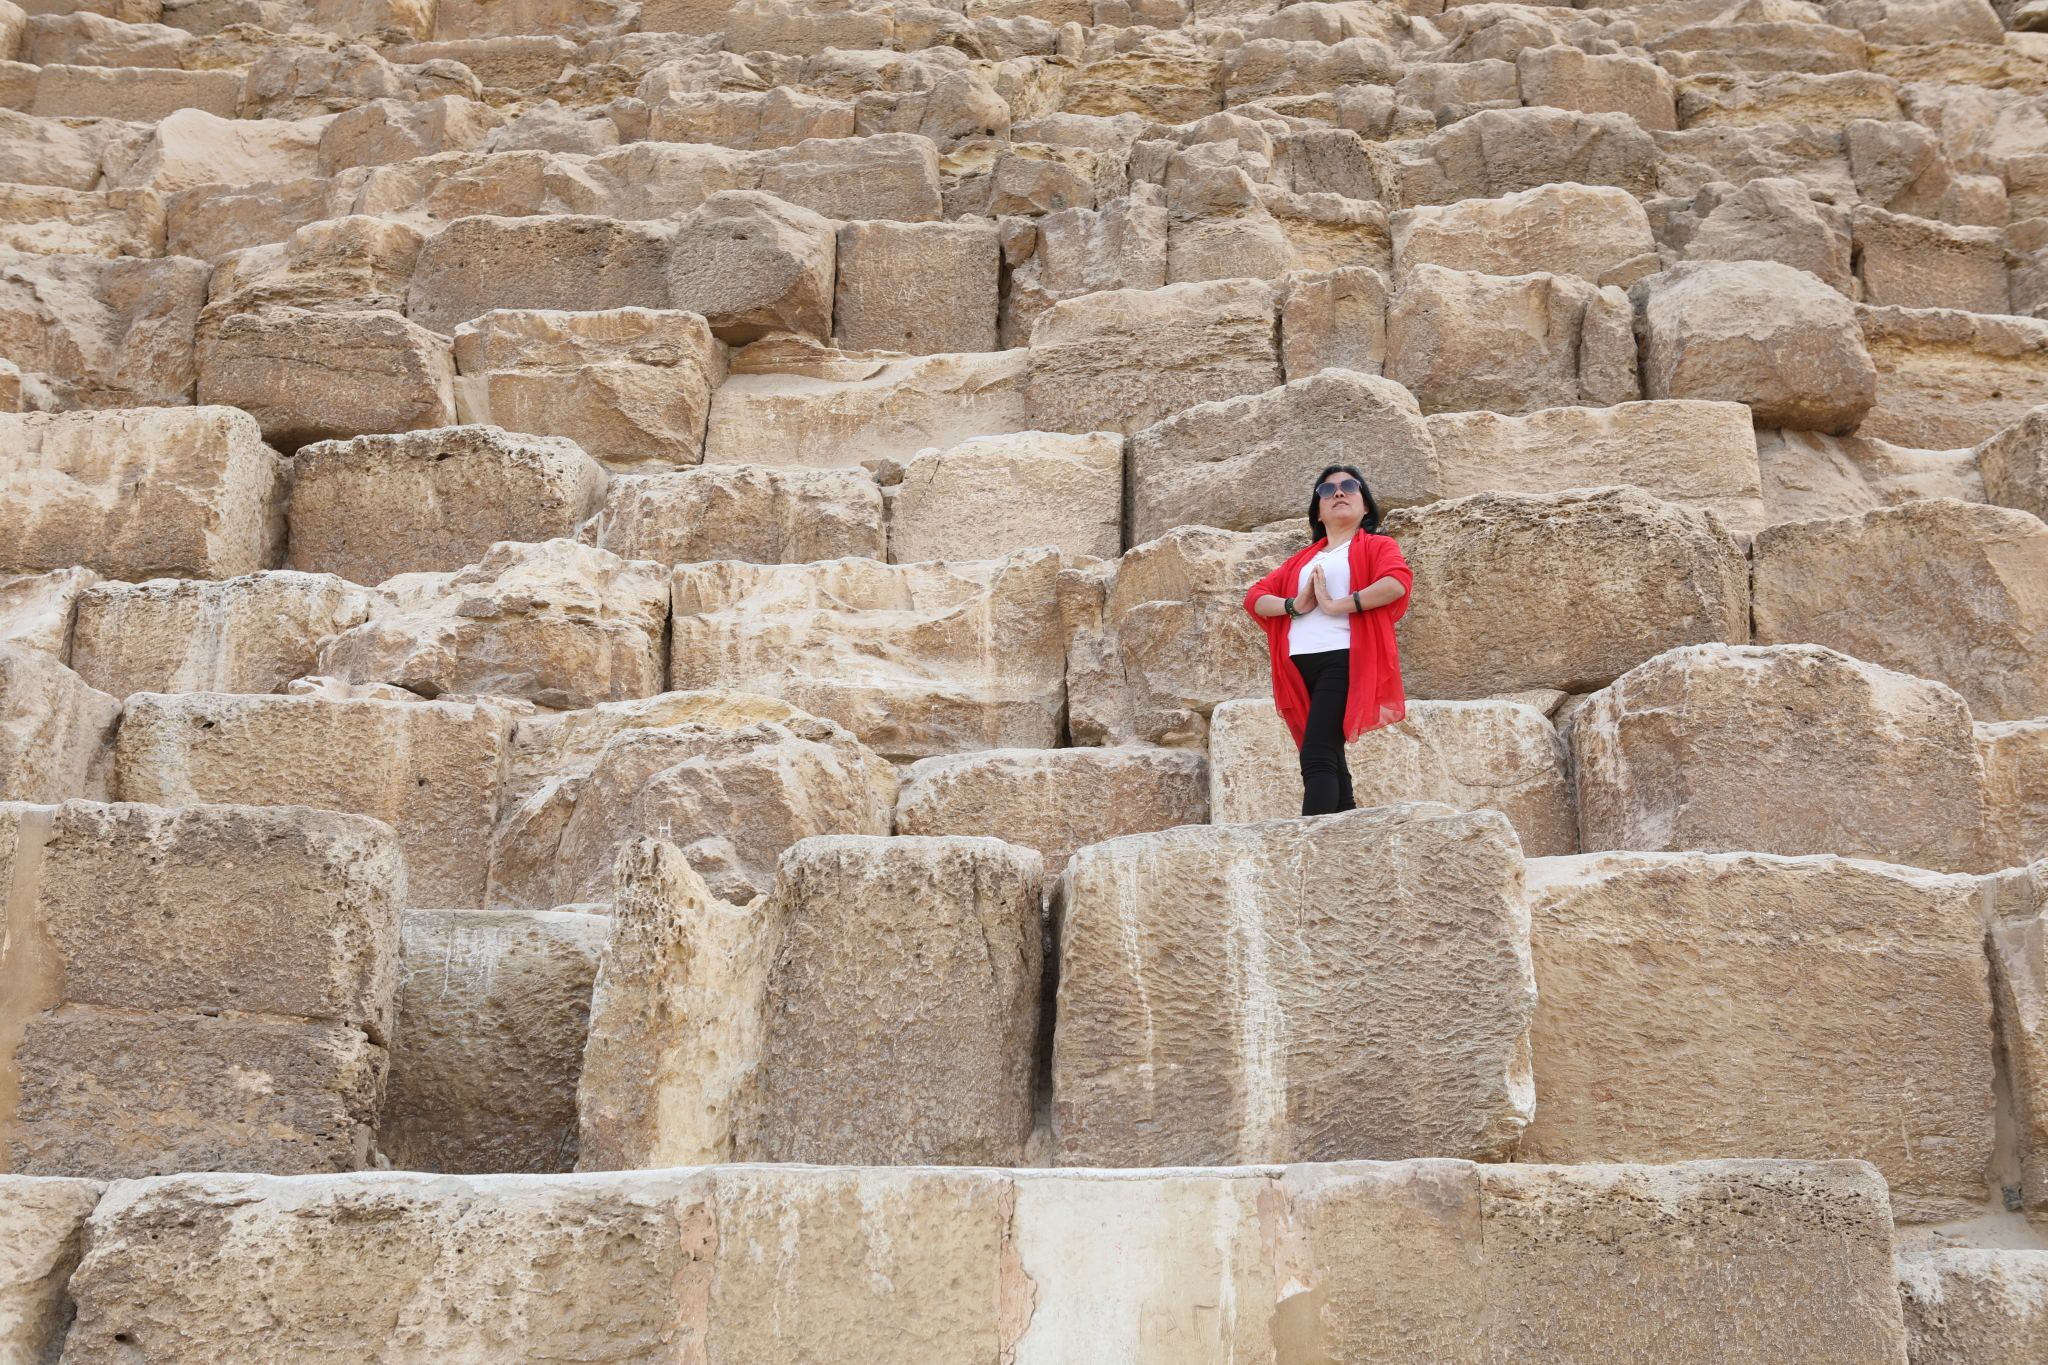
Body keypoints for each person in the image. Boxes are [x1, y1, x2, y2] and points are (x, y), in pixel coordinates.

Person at [1242, 465, 1413, 817]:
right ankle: (1345, 833)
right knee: (1331, 755)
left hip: (1343, 658)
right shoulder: (1302, 561)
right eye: (1327, 490)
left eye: (1349, 486)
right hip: (1298, 667)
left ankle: (1310, 845)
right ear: (1318, 513)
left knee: (1316, 752)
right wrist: (1295, 604)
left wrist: (1337, 604)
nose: (1338, 492)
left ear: (1365, 505)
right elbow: (1255, 597)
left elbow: (1395, 583)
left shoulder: (1377, 545)